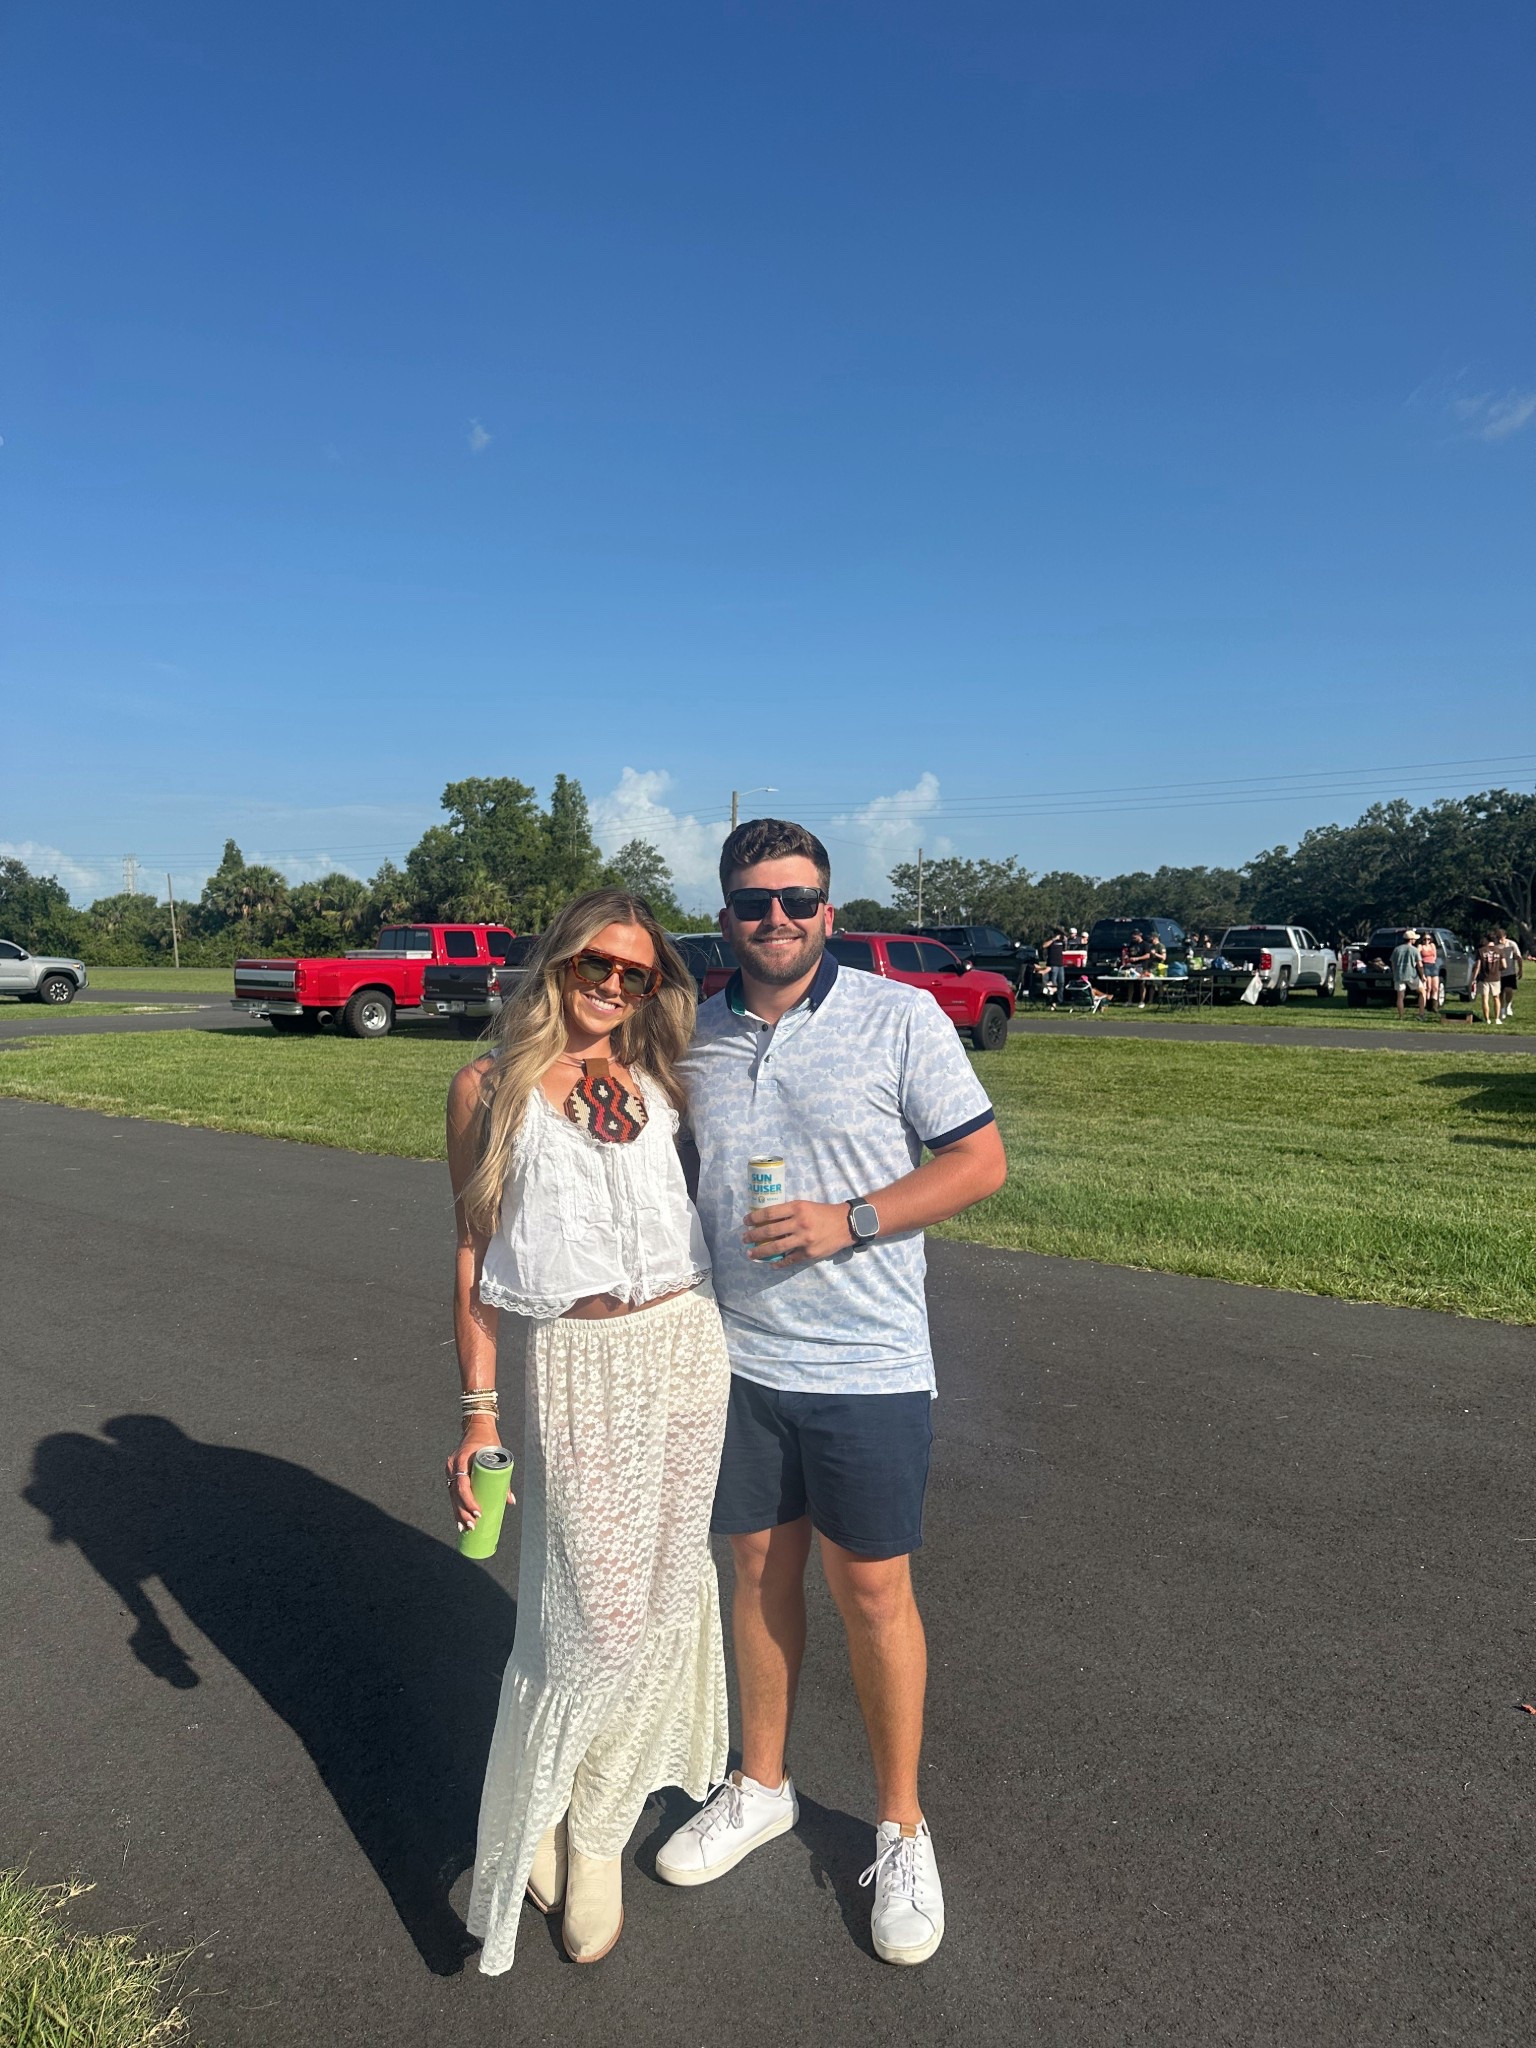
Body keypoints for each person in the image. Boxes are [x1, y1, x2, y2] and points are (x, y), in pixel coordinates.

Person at [655, 818, 1007, 1966]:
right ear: (724, 910)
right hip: (737, 1355)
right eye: (754, 900)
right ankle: (764, 1784)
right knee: (756, 1569)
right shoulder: (693, 1032)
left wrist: (846, 1219)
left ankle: (901, 1824)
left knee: (872, 1591)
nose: (777, 918)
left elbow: (979, 1161)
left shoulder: (898, 1015)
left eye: (798, 899)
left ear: (829, 908)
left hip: (866, 1362)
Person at [446, 889, 731, 1974]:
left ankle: (598, 1824)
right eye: (593, 965)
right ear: (554, 963)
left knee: (659, 1596)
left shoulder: (665, 1082)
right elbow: (474, 1259)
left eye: (637, 972)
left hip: (687, 1351)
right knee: (589, 1618)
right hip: (576, 1360)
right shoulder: (488, 1087)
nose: (614, 985)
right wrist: (479, 1416)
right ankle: (546, 1807)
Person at [1391, 929, 1425, 1019]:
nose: (1415, 940)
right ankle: (1421, 1014)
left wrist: (1395, 973)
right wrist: (1422, 975)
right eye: (1414, 939)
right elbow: (1420, 965)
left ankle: (1401, 1016)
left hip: (1399, 975)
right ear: (1411, 940)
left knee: (1400, 996)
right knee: (1422, 992)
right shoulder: (1414, 950)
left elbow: (1393, 963)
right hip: (1411, 975)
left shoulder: (1397, 949)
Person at [1493, 928, 1523, 1023]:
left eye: (1500, 937)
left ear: (1505, 936)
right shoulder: (1495, 946)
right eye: (1497, 937)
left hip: (1510, 972)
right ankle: (1501, 1010)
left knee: (1509, 990)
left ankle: (1508, 1005)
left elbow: (1518, 957)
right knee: (1499, 993)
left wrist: (1520, 969)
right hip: (1498, 972)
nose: (1499, 940)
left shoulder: (1511, 944)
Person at [1473, 934, 1503, 1024]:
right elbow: (1504, 965)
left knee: (1485, 998)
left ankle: (1487, 1019)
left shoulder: (1481, 951)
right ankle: (1497, 1018)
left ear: (1486, 940)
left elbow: (1478, 966)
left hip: (1484, 978)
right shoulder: (1499, 950)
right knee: (1496, 997)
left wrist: (1474, 978)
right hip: (1496, 977)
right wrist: (1498, 969)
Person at [1417, 929, 1440, 1013]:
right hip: (1425, 965)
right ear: (1422, 940)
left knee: (1435, 987)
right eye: (1425, 939)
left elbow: (1435, 955)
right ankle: (1427, 1005)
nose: (1427, 941)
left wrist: (1433, 959)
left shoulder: (1432, 945)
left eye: (1428, 939)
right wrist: (1420, 963)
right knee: (1428, 987)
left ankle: (1435, 1006)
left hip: (1433, 965)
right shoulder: (1420, 946)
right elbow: (1417, 955)